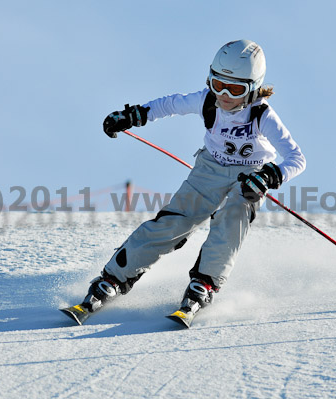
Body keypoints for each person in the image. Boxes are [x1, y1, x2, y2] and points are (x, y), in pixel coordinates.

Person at [81, 39, 306, 319]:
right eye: (217, 84)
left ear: (253, 89)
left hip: (249, 178)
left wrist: (270, 176)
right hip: (209, 169)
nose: (223, 95)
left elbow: (297, 159)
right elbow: (169, 104)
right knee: (175, 221)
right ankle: (113, 278)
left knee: (233, 215)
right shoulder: (207, 100)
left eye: (235, 89)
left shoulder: (262, 115)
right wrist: (134, 116)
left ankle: (205, 282)